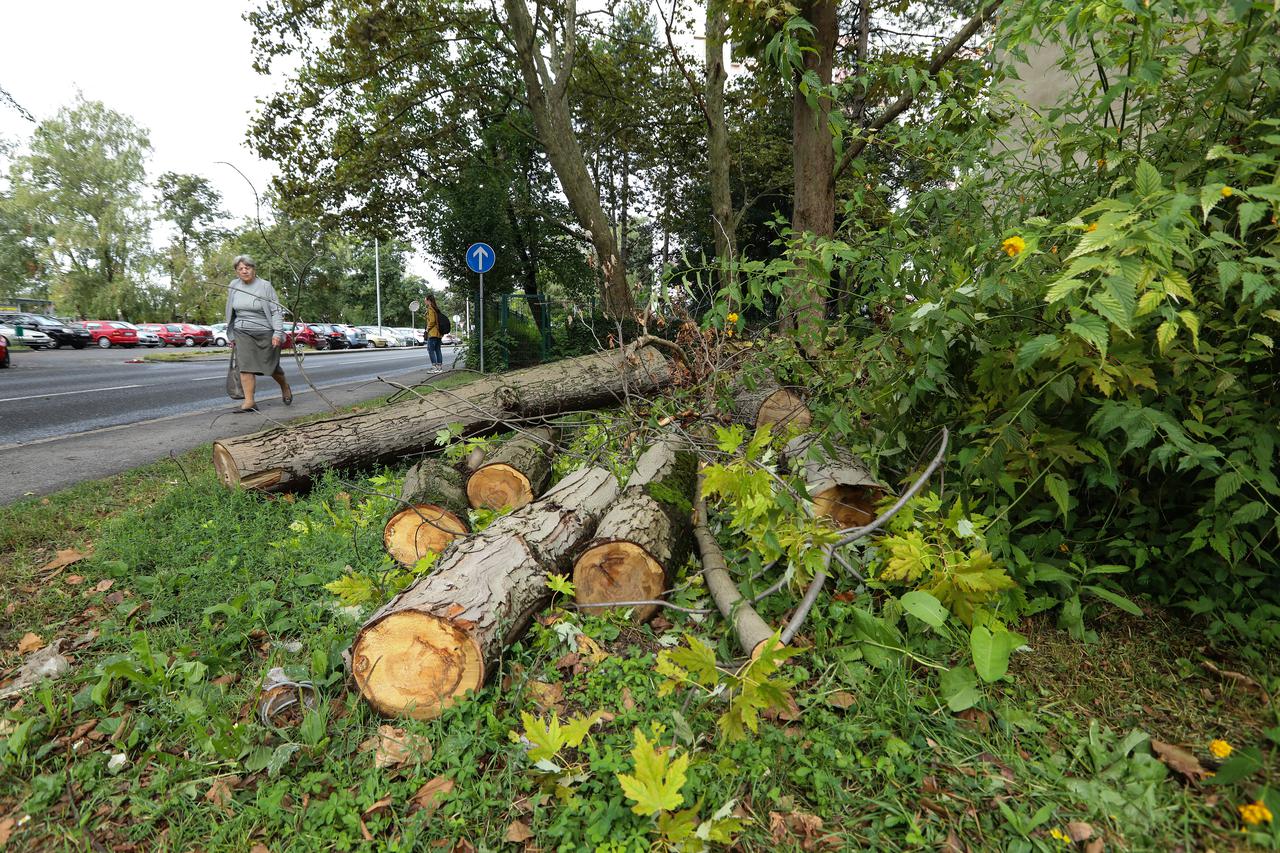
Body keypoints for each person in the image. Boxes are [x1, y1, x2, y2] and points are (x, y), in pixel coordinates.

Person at [224, 255, 293, 412]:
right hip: (242, 331)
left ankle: (285, 386)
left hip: (265, 331)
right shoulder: (233, 286)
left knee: (271, 367)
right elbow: (230, 309)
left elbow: (276, 311)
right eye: (240, 269)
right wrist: (232, 332)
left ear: (253, 269)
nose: (244, 271)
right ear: (236, 271)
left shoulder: (264, 286)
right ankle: (249, 402)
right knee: (245, 366)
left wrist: (277, 332)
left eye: (247, 267)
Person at [424, 294, 444, 373]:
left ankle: (434, 367)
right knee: (438, 350)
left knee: (430, 350)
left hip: (432, 333)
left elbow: (432, 321)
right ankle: (439, 368)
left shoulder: (430, 309)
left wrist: (427, 329)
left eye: (425, 300)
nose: (424, 301)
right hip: (439, 333)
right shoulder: (436, 309)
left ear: (429, 300)